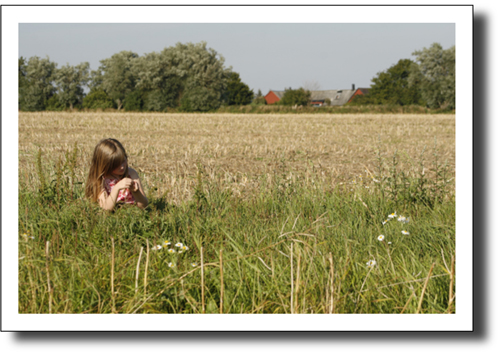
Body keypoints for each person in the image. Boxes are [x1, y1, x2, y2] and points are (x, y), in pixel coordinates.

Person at [85, 138, 148, 211]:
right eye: (116, 165)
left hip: (133, 215)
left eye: (123, 161)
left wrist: (136, 192)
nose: (122, 167)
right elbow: (106, 209)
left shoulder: (131, 174)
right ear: (105, 165)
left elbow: (144, 206)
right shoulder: (101, 179)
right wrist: (117, 188)